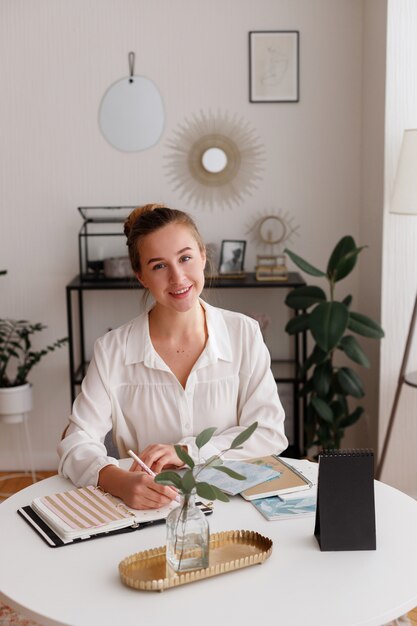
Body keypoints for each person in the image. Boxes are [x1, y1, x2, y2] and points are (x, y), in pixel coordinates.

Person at [58, 204, 287, 509]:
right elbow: (76, 440)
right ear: (140, 276)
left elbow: (268, 433)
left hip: (233, 507)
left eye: (185, 258)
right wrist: (118, 481)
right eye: (158, 266)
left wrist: (188, 451)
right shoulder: (112, 350)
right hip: (147, 509)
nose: (178, 277)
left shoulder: (244, 333)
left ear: (203, 256)